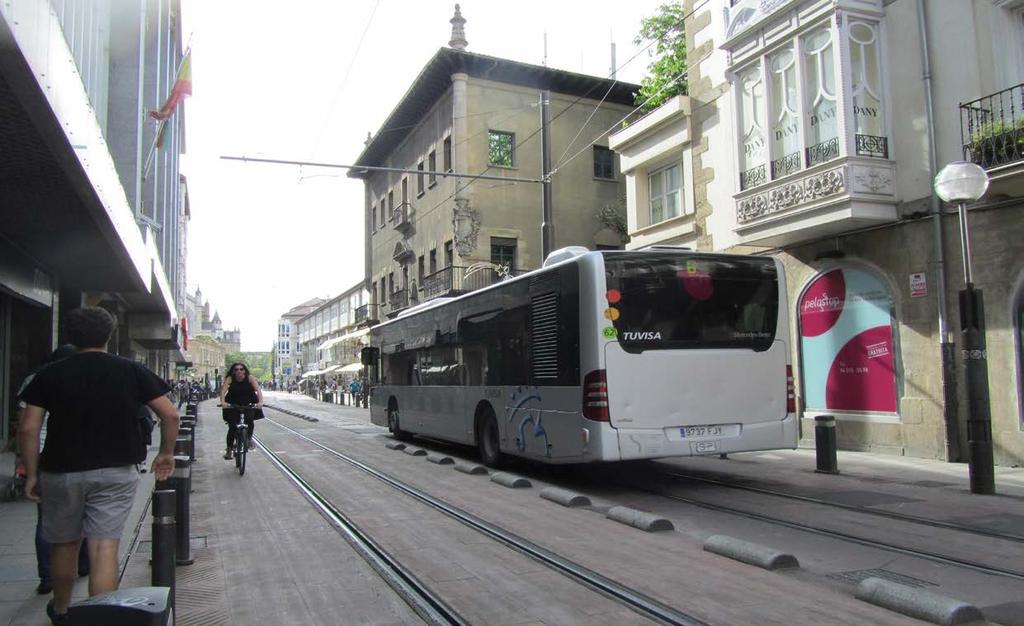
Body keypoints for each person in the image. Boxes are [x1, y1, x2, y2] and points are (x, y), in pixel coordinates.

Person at [17, 306, 179, 624]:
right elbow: (170, 414)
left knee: (64, 544)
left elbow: (28, 428)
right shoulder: (128, 370)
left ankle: (61, 610)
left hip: (61, 470)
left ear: (70, 336)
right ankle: (100, 616)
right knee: (104, 547)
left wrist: (32, 472)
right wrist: (166, 452)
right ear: (110, 334)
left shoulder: (49, 374)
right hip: (116, 470)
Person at [14, 345, 90, 595]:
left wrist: (27, 466)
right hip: (81, 456)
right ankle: (83, 564)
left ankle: (49, 577)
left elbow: (26, 428)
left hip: (47, 459)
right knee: (87, 516)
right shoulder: (83, 376)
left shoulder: (36, 380)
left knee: (48, 521)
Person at [218, 362, 263, 460]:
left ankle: (248, 438)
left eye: (241, 369)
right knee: (232, 426)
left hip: (248, 403)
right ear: (233, 371)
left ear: (244, 370)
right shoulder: (230, 379)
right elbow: (223, 391)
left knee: (250, 420)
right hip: (233, 404)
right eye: (236, 369)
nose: (239, 371)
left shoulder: (250, 378)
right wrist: (223, 402)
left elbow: (258, 390)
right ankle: (229, 449)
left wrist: (260, 402)